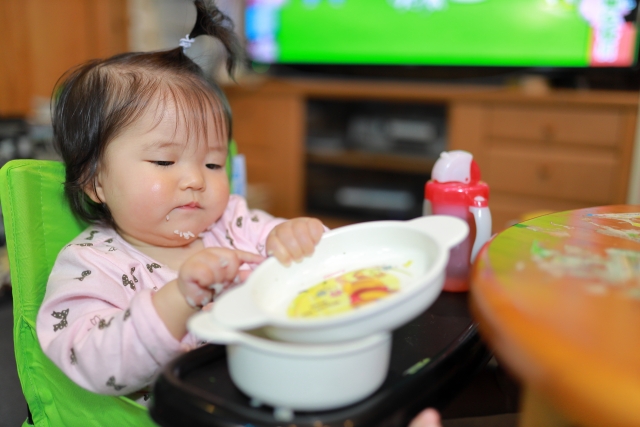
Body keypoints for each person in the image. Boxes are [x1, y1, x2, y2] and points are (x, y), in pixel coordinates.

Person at [36, 0, 324, 401]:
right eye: (164, 160)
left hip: (272, 388)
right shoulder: (92, 265)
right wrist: (177, 300)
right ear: (94, 181)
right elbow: (93, 363)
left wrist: (298, 236)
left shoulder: (231, 223)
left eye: (212, 163)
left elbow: (301, 256)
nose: (194, 180)